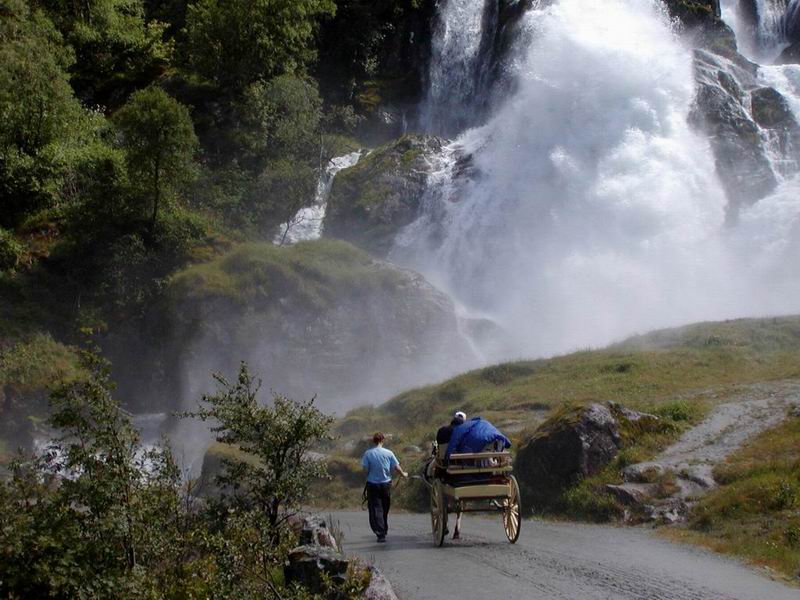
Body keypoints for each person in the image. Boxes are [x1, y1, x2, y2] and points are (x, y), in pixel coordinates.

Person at [361, 432, 408, 542]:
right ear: (383, 440)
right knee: (385, 507)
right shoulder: (389, 453)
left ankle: (381, 532)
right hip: (386, 484)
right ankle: (383, 529)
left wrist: (368, 475)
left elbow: (365, 469)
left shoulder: (368, 453)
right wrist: (403, 474)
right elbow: (397, 467)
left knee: (376, 508)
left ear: (374, 441)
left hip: (372, 484)